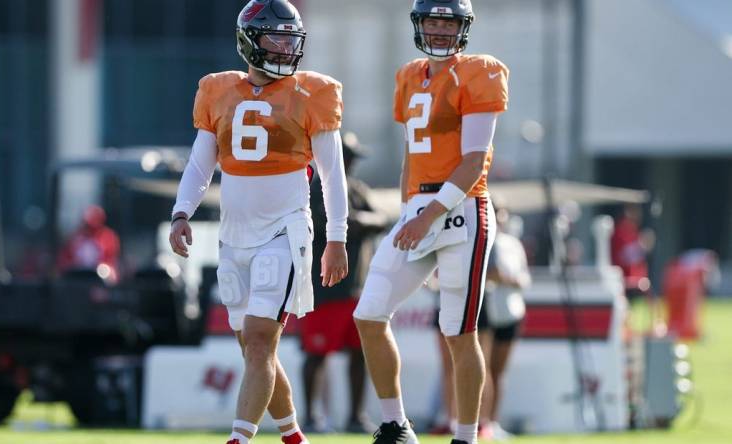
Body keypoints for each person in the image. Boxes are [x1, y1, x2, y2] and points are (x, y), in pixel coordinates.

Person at [168, 2, 349, 443]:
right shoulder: (218, 90)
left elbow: (332, 172)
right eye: (276, 37)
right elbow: (199, 163)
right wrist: (180, 213)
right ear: (249, 39)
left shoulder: (312, 93)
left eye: (292, 38)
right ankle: (293, 437)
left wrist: (337, 237)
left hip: (284, 230)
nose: (287, 47)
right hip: (234, 235)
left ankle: (239, 439)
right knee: (253, 348)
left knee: (261, 340)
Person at [352, 1, 509, 443]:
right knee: (369, 314)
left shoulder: (480, 71)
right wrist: (408, 210)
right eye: (433, 21)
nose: (440, 30)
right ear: (419, 24)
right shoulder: (408, 76)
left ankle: (465, 436)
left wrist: (428, 217)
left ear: (463, 28)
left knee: (458, 332)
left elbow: (475, 161)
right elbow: (411, 155)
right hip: (418, 208)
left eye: (449, 22)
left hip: (462, 209)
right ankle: (396, 424)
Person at [300, 132, 386, 434]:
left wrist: (358, 221)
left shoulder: (357, 189)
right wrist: (358, 222)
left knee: (358, 355)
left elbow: (381, 219)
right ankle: (311, 416)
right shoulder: (314, 187)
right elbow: (322, 224)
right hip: (324, 288)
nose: (351, 164)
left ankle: (356, 417)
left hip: (356, 287)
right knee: (316, 354)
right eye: (348, 157)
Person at [477, 207, 530, 441]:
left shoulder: (512, 245)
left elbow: (524, 278)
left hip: (509, 313)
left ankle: (493, 422)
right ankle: (480, 421)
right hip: (486, 312)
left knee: (498, 372)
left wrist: (507, 279)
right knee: (483, 370)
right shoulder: (481, 241)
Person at [57, 205, 121, 282]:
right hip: (78, 272)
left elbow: (110, 259)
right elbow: (66, 257)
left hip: (99, 272)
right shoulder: (76, 236)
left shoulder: (108, 236)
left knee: (108, 275)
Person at [611, 203, 655, 298]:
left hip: (636, 275)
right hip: (624, 276)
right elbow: (624, 256)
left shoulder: (633, 228)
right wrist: (642, 245)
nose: (638, 215)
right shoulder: (622, 228)